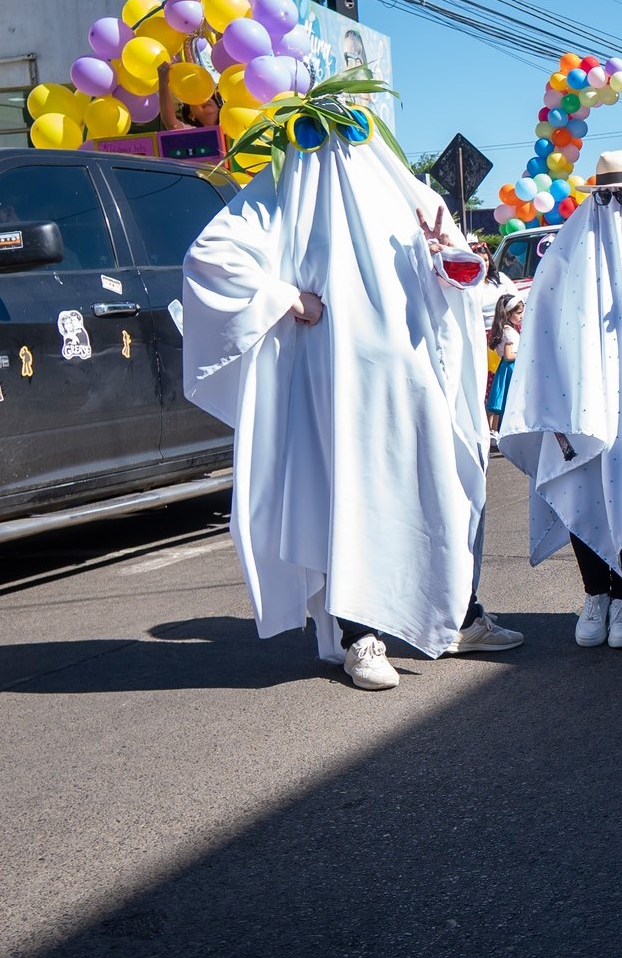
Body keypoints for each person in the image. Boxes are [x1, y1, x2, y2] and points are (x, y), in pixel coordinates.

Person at [181, 98, 522, 692]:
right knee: (351, 504)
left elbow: (460, 266)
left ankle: (458, 618)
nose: (336, 149)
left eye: (349, 131)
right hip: (333, 387)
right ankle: (358, 637)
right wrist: (287, 297)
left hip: (417, 378)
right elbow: (211, 257)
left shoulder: (404, 194)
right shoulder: (281, 193)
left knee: (440, 493)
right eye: (319, 133)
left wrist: (450, 257)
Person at [498, 150, 622, 650]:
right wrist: (550, 410)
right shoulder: (567, 252)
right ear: (597, 199)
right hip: (578, 405)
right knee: (583, 487)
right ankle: (594, 594)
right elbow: (541, 335)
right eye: (612, 196)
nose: (621, 205)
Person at [486, 295, 522, 434]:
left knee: (500, 399)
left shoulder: (507, 330)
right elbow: (508, 356)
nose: (521, 316)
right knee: (503, 398)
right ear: (508, 314)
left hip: (506, 368)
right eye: (518, 313)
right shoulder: (509, 333)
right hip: (509, 368)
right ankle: (493, 431)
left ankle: (494, 430)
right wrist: (523, 354)